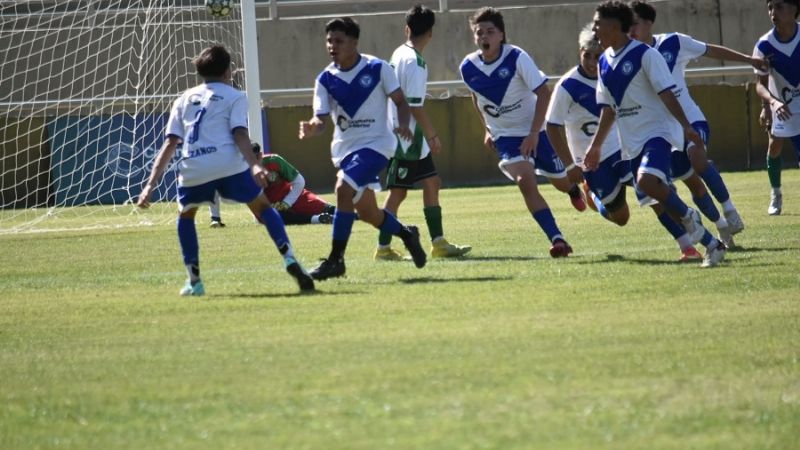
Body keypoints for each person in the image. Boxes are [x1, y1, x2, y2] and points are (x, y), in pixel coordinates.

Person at [137, 45, 314, 295]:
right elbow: (240, 133)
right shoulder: (235, 96)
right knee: (263, 207)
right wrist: (254, 166)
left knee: (186, 216)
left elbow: (170, 143)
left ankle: (194, 281)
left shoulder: (184, 99)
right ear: (227, 71)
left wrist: (150, 185)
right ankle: (289, 258)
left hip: (194, 167)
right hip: (228, 164)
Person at [546, 25, 704, 261]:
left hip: (624, 149)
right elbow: (552, 126)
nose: (592, 61)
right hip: (592, 162)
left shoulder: (614, 73)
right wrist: (570, 166)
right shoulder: (568, 86)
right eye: (586, 55)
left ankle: (687, 246)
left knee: (653, 194)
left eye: (597, 55)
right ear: (579, 52)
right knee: (621, 218)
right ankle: (594, 196)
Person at [587, 1, 726, 267]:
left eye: (597, 23)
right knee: (660, 199)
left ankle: (693, 218)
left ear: (615, 26)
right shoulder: (604, 61)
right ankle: (711, 243)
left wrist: (686, 126)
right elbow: (607, 109)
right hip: (632, 143)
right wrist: (595, 147)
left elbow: (667, 93)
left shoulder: (645, 55)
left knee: (648, 183)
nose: (594, 28)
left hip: (658, 134)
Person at [299, 17, 427, 280]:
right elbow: (321, 119)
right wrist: (313, 127)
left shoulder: (378, 68)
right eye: (329, 41)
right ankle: (406, 233)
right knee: (368, 213)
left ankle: (336, 260)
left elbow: (401, 102)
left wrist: (403, 124)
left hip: (378, 145)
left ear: (354, 42)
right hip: (346, 151)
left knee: (342, 190)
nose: (332, 45)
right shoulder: (325, 78)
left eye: (339, 41)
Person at [628, 1, 762, 245]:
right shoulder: (629, 57)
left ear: (648, 23)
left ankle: (730, 210)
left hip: (691, 120)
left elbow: (710, 50)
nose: (629, 29)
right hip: (665, 132)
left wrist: (748, 59)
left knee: (697, 158)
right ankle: (721, 227)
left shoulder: (673, 42)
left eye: (634, 23)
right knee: (693, 185)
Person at [459, 6, 578, 258]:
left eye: (490, 32)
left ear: (501, 35)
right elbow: (475, 96)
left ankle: (574, 190)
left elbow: (543, 93)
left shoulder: (517, 57)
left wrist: (534, 133)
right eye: (479, 33)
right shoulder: (467, 66)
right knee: (526, 182)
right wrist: (487, 130)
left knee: (562, 182)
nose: (484, 37)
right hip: (506, 136)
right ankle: (557, 239)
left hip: (537, 129)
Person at [375, 4, 471, 261]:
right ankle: (383, 248)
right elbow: (415, 105)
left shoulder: (397, 53)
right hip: (407, 139)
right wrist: (432, 134)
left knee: (432, 182)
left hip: (404, 135)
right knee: (397, 193)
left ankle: (439, 243)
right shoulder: (415, 62)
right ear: (430, 33)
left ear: (407, 29)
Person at [209, 143, 336, 226]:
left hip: (291, 197)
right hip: (265, 205)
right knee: (271, 218)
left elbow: (299, 181)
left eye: (252, 159)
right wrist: (216, 218)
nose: (249, 164)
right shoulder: (237, 171)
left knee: (329, 210)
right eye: (245, 160)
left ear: (260, 155)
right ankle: (318, 219)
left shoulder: (274, 161)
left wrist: (287, 203)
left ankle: (352, 215)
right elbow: (214, 188)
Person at [753, 0, 800, 215]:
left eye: (779, 6)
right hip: (782, 106)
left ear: (794, 9)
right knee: (775, 147)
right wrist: (770, 104)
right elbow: (760, 86)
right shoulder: (764, 45)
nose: (773, 12)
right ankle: (776, 193)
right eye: (770, 7)